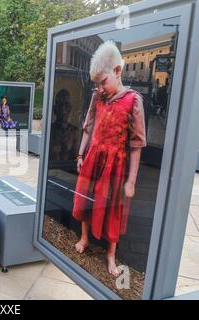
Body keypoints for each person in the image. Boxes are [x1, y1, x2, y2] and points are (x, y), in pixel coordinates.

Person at [72, 41, 146, 277]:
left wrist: (131, 180)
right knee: (86, 199)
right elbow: (88, 127)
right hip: (93, 157)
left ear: (117, 71)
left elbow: (136, 145)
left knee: (113, 208)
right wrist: (81, 153)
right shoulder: (97, 97)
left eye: (103, 82)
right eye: (97, 84)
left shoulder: (133, 101)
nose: (101, 88)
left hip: (115, 164)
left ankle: (111, 253)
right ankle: (84, 237)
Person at [49, 89, 79, 161]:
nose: (63, 109)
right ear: (55, 109)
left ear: (70, 108)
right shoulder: (50, 130)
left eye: (66, 104)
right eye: (60, 104)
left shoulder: (73, 131)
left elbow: (75, 157)